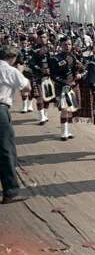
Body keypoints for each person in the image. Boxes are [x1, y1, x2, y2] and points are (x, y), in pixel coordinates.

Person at [0, 46, 31, 204]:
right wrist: (21, 70)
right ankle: (10, 191)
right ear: (12, 58)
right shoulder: (10, 71)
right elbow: (27, 87)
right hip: (1, 109)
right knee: (6, 150)